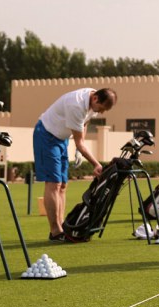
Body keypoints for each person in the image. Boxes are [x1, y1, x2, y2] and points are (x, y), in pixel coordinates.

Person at [33, 88, 117, 242]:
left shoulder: (92, 100)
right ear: (95, 98)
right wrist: (96, 164)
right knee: (54, 183)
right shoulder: (76, 105)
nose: (101, 112)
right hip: (46, 135)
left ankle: (62, 227)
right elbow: (79, 142)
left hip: (61, 138)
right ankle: (55, 231)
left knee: (63, 185)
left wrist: (80, 147)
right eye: (101, 108)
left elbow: (84, 123)